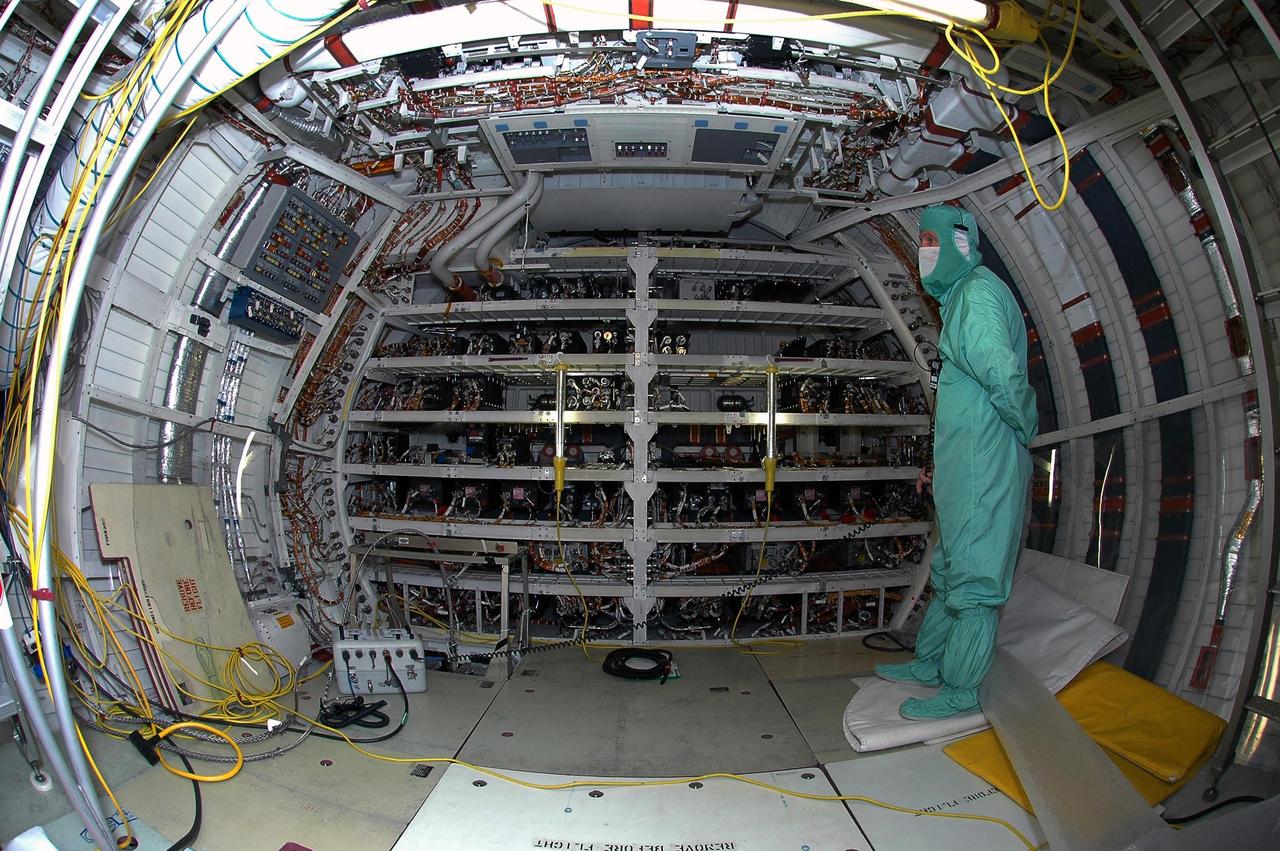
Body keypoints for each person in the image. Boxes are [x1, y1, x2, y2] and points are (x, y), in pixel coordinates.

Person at [875, 204, 1038, 719]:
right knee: (949, 570)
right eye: (921, 242)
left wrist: (1023, 427)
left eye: (930, 242)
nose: (924, 254)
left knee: (975, 581)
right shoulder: (962, 298)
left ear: (959, 244)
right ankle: (932, 663)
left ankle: (962, 689)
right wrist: (941, 465)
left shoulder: (978, 295)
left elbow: (1002, 374)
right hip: (963, 466)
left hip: (985, 465)